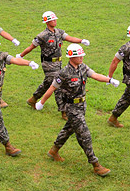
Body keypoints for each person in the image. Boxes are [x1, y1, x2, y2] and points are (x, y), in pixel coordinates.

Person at [36, 43, 118, 176]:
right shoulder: (63, 73)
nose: (81, 57)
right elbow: (52, 88)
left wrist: (109, 80)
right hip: (71, 108)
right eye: (79, 55)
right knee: (85, 135)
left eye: (81, 55)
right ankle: (95, 164)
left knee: (69, 129)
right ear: (71, 57)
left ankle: (53, 150)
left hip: (81, 106)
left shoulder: (83, 67)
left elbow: (95, 75)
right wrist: (42, 102)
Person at [19, 11, 89, 117]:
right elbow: (31, 47)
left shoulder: (59, 32)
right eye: (53, 19)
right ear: (47, 22)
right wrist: (21, 56)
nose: (55, 21)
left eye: (55, 19)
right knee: (58, 86)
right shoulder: (42, 36)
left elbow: (69, 38)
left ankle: (33, 99)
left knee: (49, 83)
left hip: (58, 62)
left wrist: (81, 41)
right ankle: (64, 111)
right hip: (48, 63)